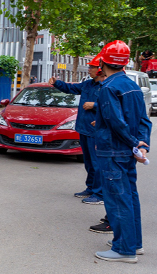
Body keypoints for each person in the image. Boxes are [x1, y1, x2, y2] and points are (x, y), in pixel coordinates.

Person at [93, 40, 151, 263]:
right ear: (125, 63)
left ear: (102, 61)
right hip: (127, 152)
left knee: (118, 200)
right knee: (130, 197)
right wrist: (141, 144)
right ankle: (134, 244)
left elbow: (116, 123)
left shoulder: (109, 87)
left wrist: (132, 144)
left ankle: (123, 249)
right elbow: (144, 121)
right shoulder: (133, 86)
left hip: (114, 151)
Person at [50, 53, 106, 205]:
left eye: (91, 67)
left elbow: (112, 106)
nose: (89, 70)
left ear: (100, 69)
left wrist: (94, 105)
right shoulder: (88, 84)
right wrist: (57, 83)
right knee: (88, 162)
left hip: (96, 130)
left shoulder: (106, 87)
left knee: (96, 162)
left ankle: (99, 193)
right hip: (84, 129)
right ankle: (90, 188)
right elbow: (72, 88)